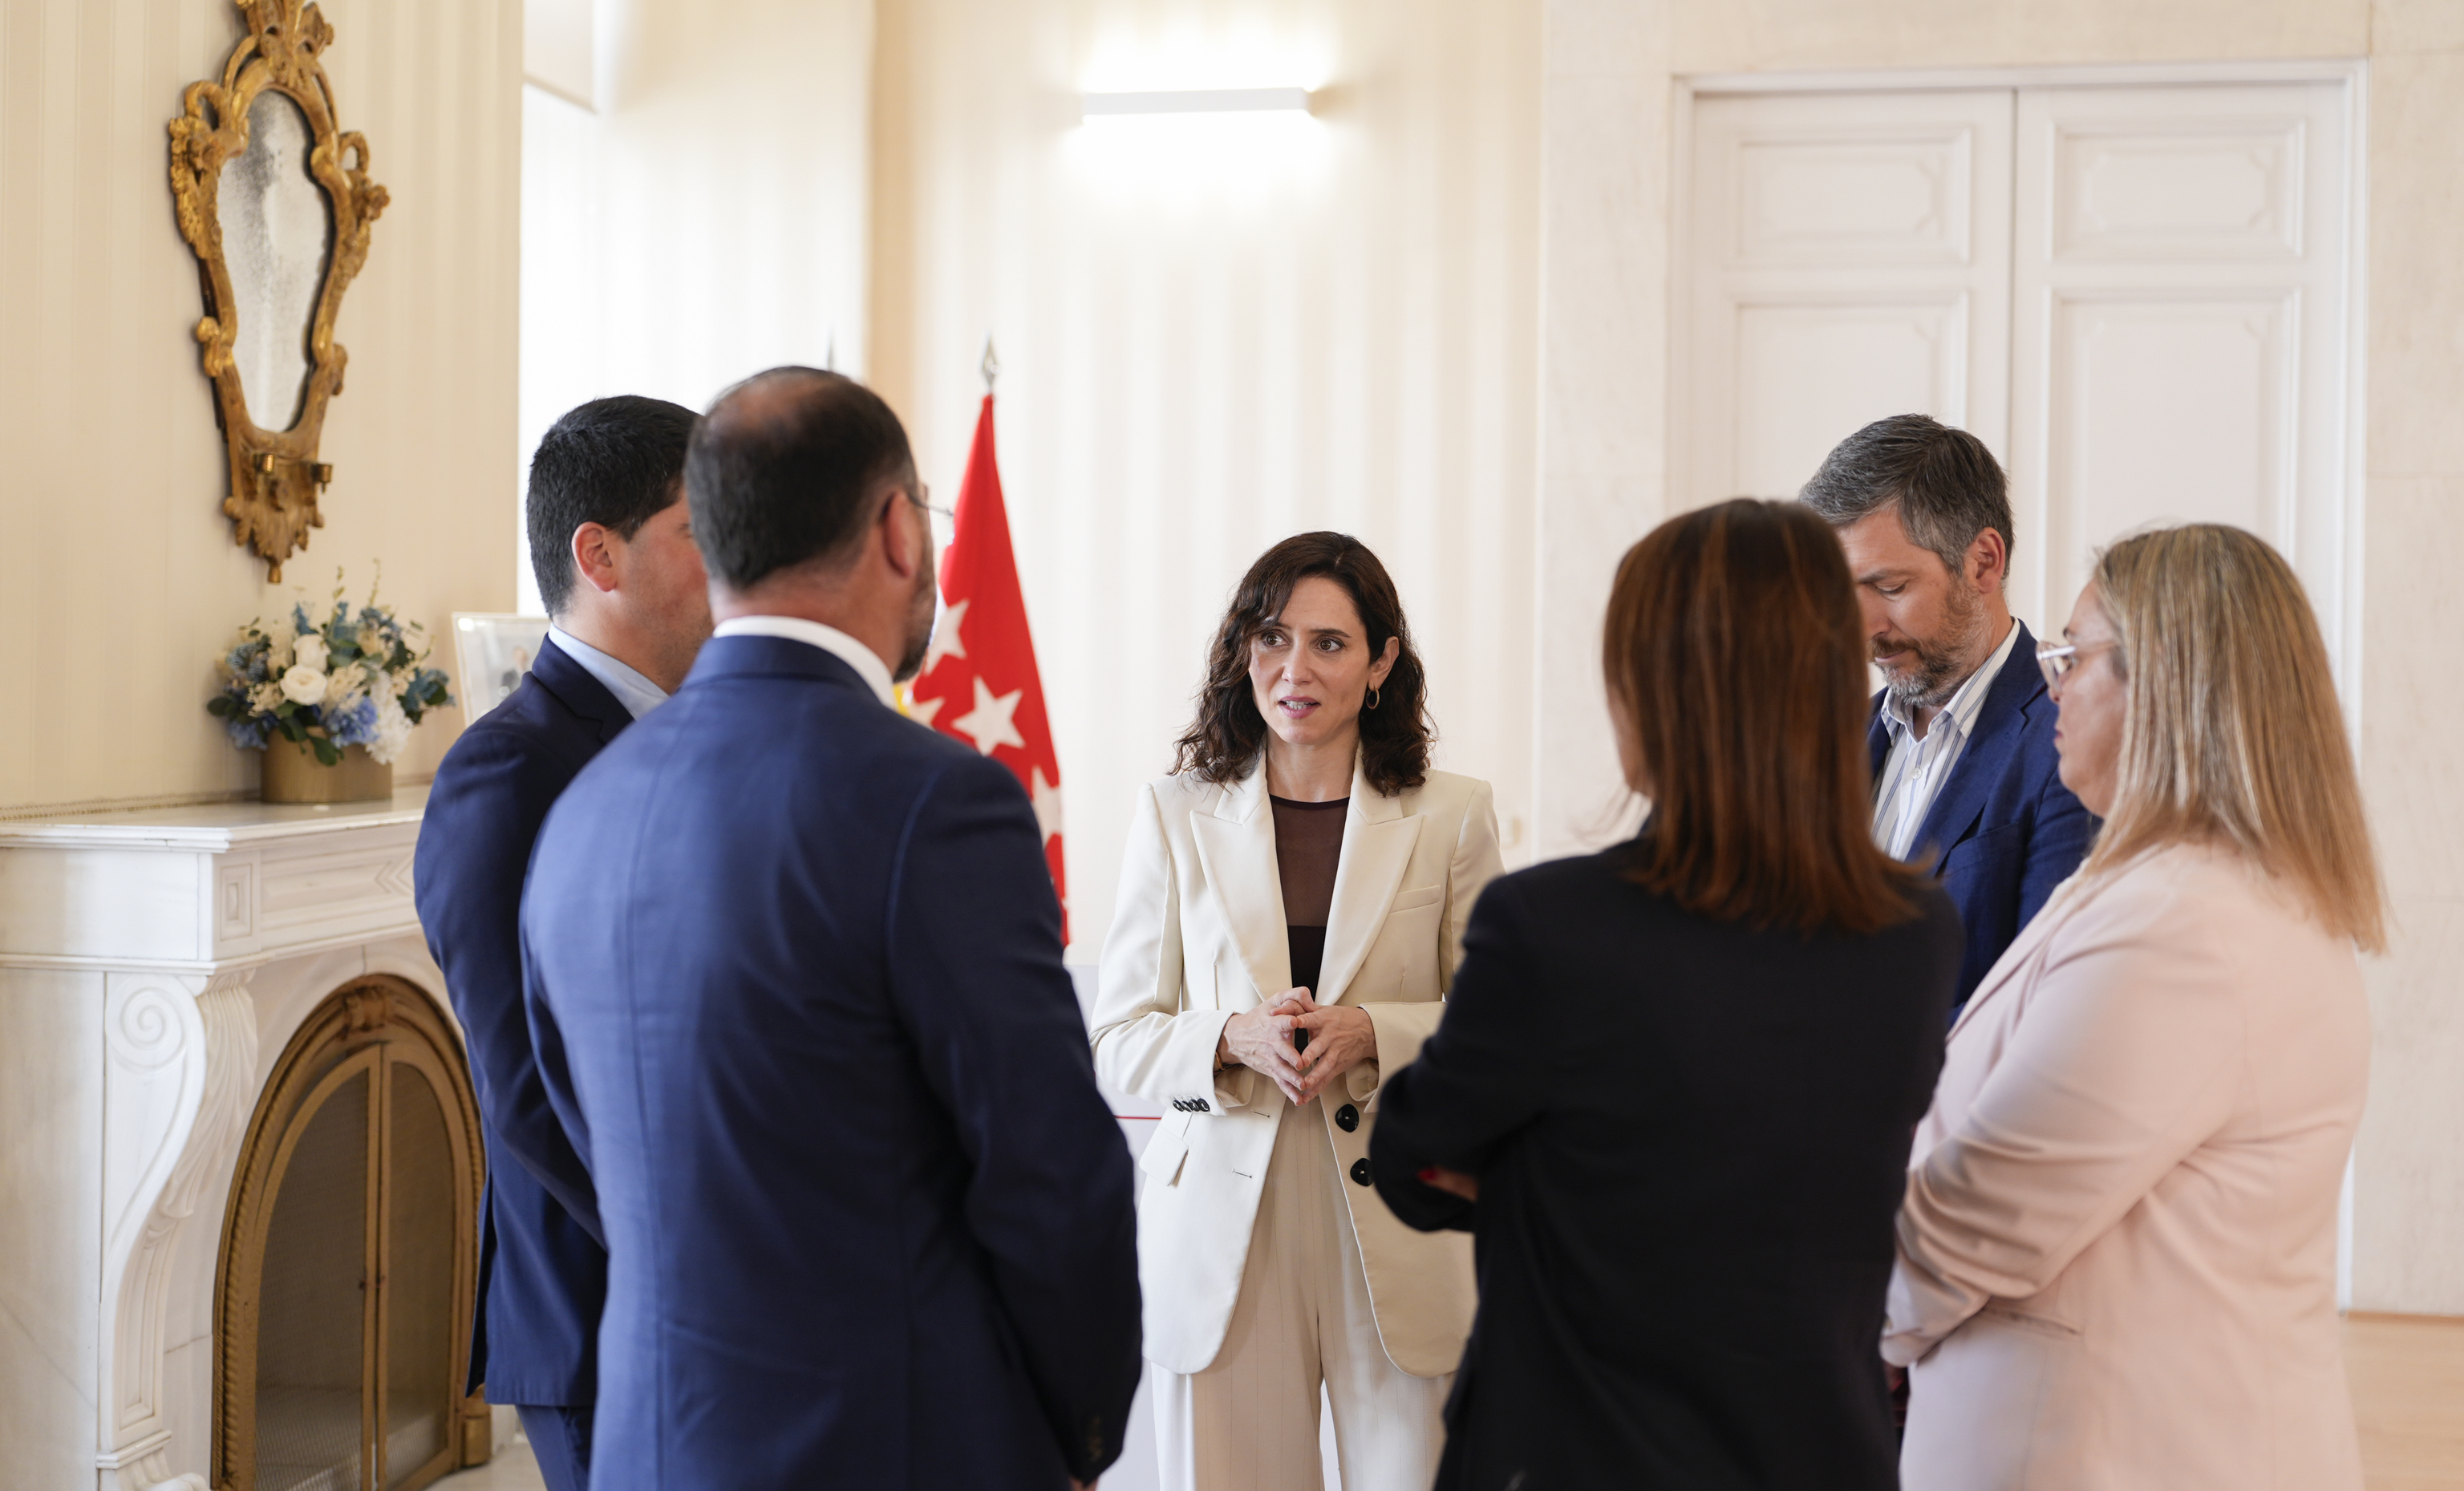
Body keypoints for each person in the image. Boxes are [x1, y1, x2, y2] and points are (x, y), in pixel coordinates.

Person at [520, 367, 1141, 1489]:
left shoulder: (582, 808)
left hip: (654, 1447)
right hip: (889, 1444)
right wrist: (1082, 1430)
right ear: (899, 528)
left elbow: (582, 1130)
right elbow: (1050, 1171)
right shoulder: (936, 801)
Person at [1370, 499, 1964, 1490]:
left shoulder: (1552, 926)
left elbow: (1412, 1153)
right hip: (1823, 1455)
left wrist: (1536, 1179)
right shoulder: (1917, 932)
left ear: (1651, 691)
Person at [1887, 524, 2382, 1489]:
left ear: (2170, 684)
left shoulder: (2184, 927)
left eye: (2075, 656)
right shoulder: (2176, 890)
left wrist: (1832, 1320)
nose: (2052, 685)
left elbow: (1982, 1214)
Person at [1089, 532, 1505, 1491]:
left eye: (1330, 643)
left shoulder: (1455, 814)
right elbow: (1116, 1043)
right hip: (1221, 1228)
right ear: (1245, 650)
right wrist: (1228, 1038)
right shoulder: (1174, 813)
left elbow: (1501, 1030)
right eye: (1273, 637)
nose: (1295, 668)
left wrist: (1378, 1031)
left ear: (1382, 662)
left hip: (1405, 1214)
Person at [411, 395, 710, 1491]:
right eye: (702, 529)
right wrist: (692, 1253)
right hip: (607, 1302)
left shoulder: (706, 739)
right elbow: (524, 1082)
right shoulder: (506, 771)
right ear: (600, 555)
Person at [1801, 415, 2095, 1007]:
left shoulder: (2073, 741)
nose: (1863, 627)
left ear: (1984, 561)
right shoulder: (1826, 740)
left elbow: (2042, 1004)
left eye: (1890, 588)